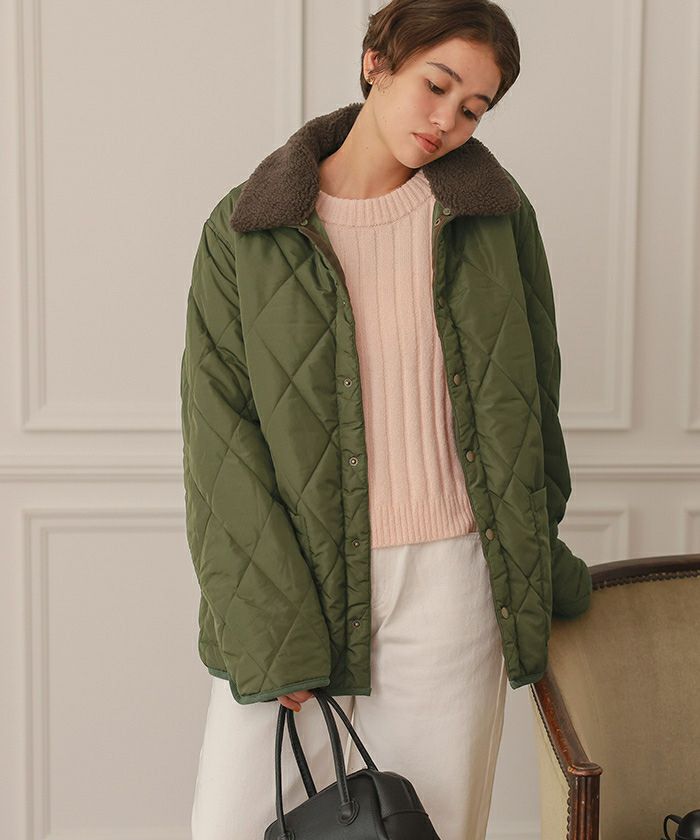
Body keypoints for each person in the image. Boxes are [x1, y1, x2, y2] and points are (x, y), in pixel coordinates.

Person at [179, 1, 593, 837]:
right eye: (436, 86)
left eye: (474, 108)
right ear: (377, 62)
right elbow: (220, 441)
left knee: (431, 824)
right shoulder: (247, 228)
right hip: (299, 580)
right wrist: (269, 626)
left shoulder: (496, 217)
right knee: (228, 824)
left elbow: (532, 406)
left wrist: (530, 549)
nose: (447, 121)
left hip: (454, 586)